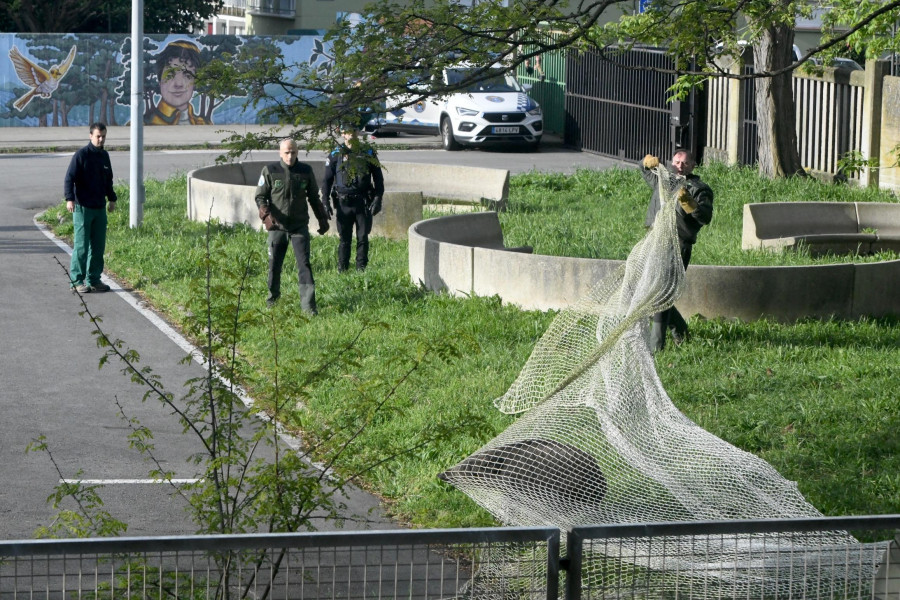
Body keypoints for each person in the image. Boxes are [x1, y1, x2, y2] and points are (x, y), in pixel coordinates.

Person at [641, 149, 713, 352]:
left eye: (685, 162)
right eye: (677, 161)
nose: (680, 165)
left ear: (692, 165)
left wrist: (689, 204)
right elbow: (644, 170)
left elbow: (705, 217)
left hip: (678, 245)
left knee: (661, 294)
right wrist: (645, 162)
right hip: (655, 241)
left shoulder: (700, 189)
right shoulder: (664, 180)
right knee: (649, 291)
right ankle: (681, 331)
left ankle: (657, 346)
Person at [255, 138, 330, 314]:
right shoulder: (270, 170)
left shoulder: (305, 171)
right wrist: (267, 216)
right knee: (275, 265)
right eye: (287, 152)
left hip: (299, 226)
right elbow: (260, 197)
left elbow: (313, 197)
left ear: (298, 152)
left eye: (293, 152)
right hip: (277, 228)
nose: (290, 156)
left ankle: (308, 308)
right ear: (280, 153)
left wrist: (322, 219)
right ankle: (272, 301)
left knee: (304, 264)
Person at [322, 124, 385, 272]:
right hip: (343, 202)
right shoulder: (335, 154)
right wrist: (325, 202)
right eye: (347, 131)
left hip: (362, 202)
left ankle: (361, 269)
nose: (351, 134)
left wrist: (378, 198)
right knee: (344, 238)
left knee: (363, 237)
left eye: (354, 131)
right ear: (342, 133)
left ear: (358, 132)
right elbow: (326, 181)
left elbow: (378, 179)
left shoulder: (368, 152)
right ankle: (342, 269)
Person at [64, 122, 117, 294]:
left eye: (103, 136)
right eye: (98, 136)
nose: (101, 139)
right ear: (90, 136)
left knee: (98, 246)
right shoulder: (81, 155)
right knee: (82, 246)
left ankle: (94, 279)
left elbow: (108, 180)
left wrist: (112, 199)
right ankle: (77, 281)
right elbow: (69, 178)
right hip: (82, 207)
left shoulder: (104, 156)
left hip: (99, 207)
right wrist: (69, 199)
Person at [144, 40, 210, 125]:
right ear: (160, 81)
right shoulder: (144, 124)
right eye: (170, 75)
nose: (178, 84)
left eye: (187, 75)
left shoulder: (203, 124)